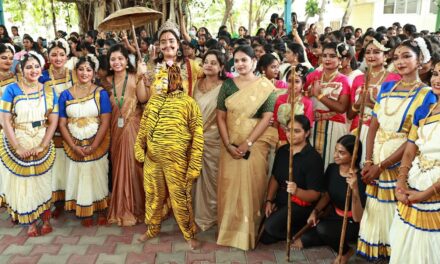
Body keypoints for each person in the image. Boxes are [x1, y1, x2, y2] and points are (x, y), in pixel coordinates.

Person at [357, 40, 436, 261]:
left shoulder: (427, 94)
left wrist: (381, 166)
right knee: (376, 218)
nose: (400, 61)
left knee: (396, 221)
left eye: (407, 56)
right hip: (375, 163)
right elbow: (374, 126)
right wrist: (368, 162)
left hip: (400, 167)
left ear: (420, 60)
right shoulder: (386, 87)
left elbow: (414, 140)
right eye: (397, 57)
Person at [134, 62, 204, 249]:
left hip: (176, 161)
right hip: (152, 160)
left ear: (176, 80)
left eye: (164, 79)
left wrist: (194, 164)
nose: (161, 83)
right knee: (153, 195)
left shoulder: (188, 103)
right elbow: (143, 128)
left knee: (180, 197)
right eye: (159, 80)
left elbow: (198, 136)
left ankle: (188, 233)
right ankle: (152, 228)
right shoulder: (153, 102)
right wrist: (139, 149)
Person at [216, 45, 278, 250]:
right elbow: (220, 116)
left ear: (253, 62)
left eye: (244, 60)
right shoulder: (228, 85)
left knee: (253, 187)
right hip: (230, 143)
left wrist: (247, 142)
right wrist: (227, 144)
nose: (240, 64)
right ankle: (227, 233)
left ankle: (247, 235)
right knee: (229, 186)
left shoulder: (265, 86)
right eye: (237, 60)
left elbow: (267, 117)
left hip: (256, 144)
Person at [0, 52, 58, 236]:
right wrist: (17, 146)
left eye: (36, 66)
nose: (33, 70)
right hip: (20, 137)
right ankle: (30, 221)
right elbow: (5, 119)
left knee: (43, 179)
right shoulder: (12, 90)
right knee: (25, 182)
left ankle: (46, 218)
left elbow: (53, 120)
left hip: (41, 137)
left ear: (41, 68)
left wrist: (43, 144)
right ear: (21, 70)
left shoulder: (48, 90)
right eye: (29, 67)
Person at [388, 62, 440, 264]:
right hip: (415, 181)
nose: (437, 79)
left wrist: (426, 194)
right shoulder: (425, 110)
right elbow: (410, 149)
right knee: (406, 244)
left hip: (434, 189)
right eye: (435, 74)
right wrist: (400, 181)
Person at [292, 135, 366, 264]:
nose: (336, 155)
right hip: (334, 215)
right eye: (336, 150)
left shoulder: (361, 179)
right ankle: (324, 236)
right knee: (307, 237)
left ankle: (346, 252)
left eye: (341, 153)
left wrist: (354, 189)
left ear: (353, 155)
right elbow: (327, 195)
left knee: (322, 229)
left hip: (352, 223)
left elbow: (358, 217)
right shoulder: (332, 168)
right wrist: (315, 211)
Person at [58, 55, 111, 227]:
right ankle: (84, 209)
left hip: (97, 142)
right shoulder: (65, 94)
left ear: (94, 73)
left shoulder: (100, 93)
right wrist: (73, 145)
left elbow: (105, 121)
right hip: (74, 142)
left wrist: (94, 145)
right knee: (78, 173)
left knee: (98, 172)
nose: (84, 73)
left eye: (88, 70)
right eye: (81, 69)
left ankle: (101, 208)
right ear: (75, 71)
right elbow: (62, 123)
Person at [260, 115, 324, 244]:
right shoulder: (283, 151)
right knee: (264, 236)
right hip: (282, 199)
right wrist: (268, 200)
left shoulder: (313, 158)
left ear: (307, 133)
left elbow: (315, 195)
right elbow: (275, 178)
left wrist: (297, 191)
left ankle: (307, 232)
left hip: (300, 204)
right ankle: (286, 228)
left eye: (297, 131)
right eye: (288, 130)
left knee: (270, 227)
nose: (291, 134)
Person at [106, 44, 149, 226]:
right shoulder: (106, 82)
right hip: (115, 130)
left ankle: (138, 207)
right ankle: (122, 206)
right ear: (109, 63)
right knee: (118, 167)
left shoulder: (134, 77)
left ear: (127, 61)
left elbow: (143, 99)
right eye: (113, 59)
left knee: (134, 167)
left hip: (133, 127)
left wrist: (140, 77)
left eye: (120, 59)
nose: (117, 62)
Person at [347, 36, 401, 165]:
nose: (371, 55)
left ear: (386, 55)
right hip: (356, 130)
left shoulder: (394, 79)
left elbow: (394, 114)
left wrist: (369, 103)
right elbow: (350, 114)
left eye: (376, 52)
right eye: (368, 52)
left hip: (379, 134)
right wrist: (359, 103)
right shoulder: (358, 79)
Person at [39, 39, 76, 213]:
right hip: (51, 127)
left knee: (71, 161)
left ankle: (73, 195)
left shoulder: (74, 74)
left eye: (61, 54)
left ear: (67, 56)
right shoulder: (42, 77)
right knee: (57, 161)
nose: (58, 58)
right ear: (48, 56)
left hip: (71, 124)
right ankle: (57, 199)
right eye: (54, 54)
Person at [192, 50, 226, 232]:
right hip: (193, 137)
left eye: (214, 63)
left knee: (211, 178)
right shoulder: (194, 84)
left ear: (221, 67)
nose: (209, 65)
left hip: (214, 140)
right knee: (193, 178)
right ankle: (194, 215)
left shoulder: (226, 87)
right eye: (206, 61)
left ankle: (210, 216)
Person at [305, 42, 351, 168]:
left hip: (334, 125)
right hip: (312, 125)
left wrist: (319, 95)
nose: (327, 59)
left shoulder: (343, 80)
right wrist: (307, 94)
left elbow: (342, 108)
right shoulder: (313, 76)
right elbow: (301, 96)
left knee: (330, 162)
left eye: (332, 56)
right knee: (311, 164)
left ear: (340, 59)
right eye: (325, 55)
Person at [145, 20, 202, 97]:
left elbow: (212, 74)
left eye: (171, 41)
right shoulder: (152, 66)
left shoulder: (191, 65)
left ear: (178, 44)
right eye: (163, 42)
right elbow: (144, 97)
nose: (167, 45)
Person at [274, 65, 314, 145]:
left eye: (296, 81)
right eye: (289, 81)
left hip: (298, 142)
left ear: (303, 84)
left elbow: (307, 127)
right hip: (280, 141)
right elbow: (275, 122)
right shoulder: (280, 98)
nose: (292, 84)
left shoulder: (307, 102)